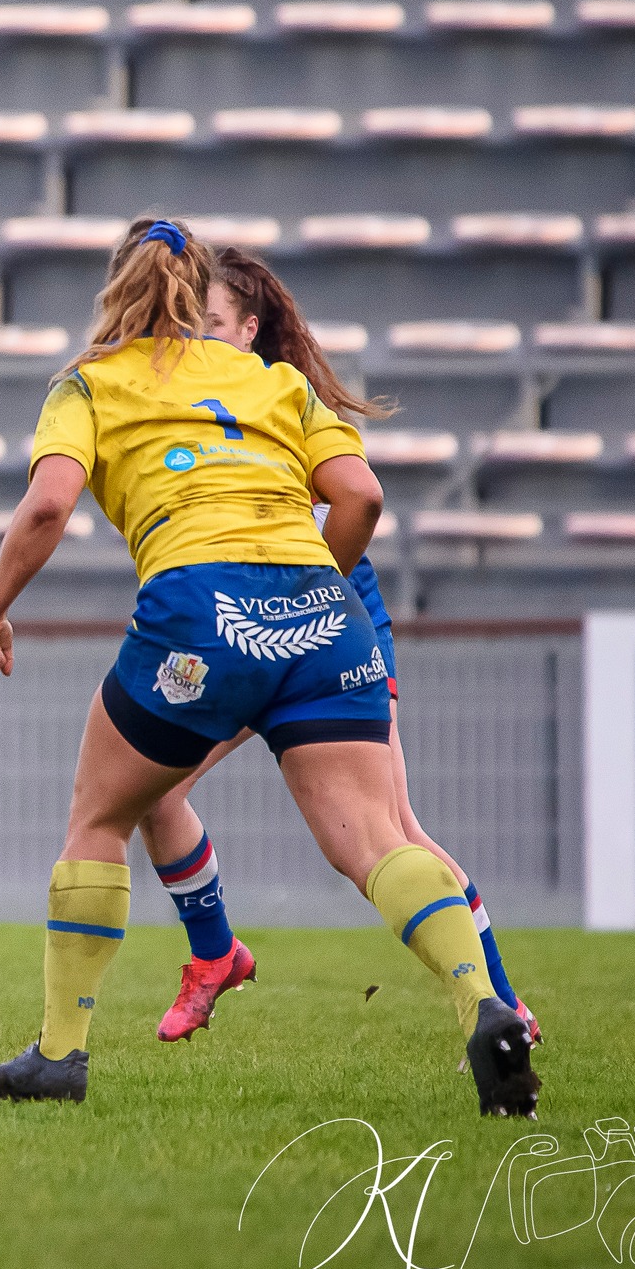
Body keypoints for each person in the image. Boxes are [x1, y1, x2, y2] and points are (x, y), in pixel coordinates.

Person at [0, 217, 540, 1117]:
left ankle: (60, 1053)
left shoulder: (89, 383)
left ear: (116, 291)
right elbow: (361, 496)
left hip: (199, 609)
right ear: (200, 300)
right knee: (377, 837)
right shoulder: (274, 379)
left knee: (102, 812)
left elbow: (46, 508)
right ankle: (486, 1006)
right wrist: (311, 589)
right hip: (325, 608)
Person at [136, 246, 540, 1047]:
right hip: (237, 629)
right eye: (192, 323)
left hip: (325, 632)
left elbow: (357, 500)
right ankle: (215, 954)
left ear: (250, 330)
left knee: (392, 836)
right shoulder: (197, 407)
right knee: (151, 787)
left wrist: (305, 589)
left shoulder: (280, 404)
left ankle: (502, 1004)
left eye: (212, 322)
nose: (199, 337)